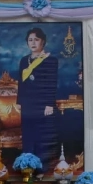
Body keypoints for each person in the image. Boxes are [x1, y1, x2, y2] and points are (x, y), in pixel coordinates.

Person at [16, 26, 60, 166]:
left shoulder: (50, 60)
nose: (33, 43)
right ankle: (27, 166)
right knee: (28, 135)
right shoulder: (24, 60)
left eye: (36, 39)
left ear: (43, 42)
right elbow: (21, 83)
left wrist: (49, 104)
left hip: (42, 104)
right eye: (30, 40)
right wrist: (19, 101)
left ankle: (41, 168)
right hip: (27, 104)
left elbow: (51, 83)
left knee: (40, 136)